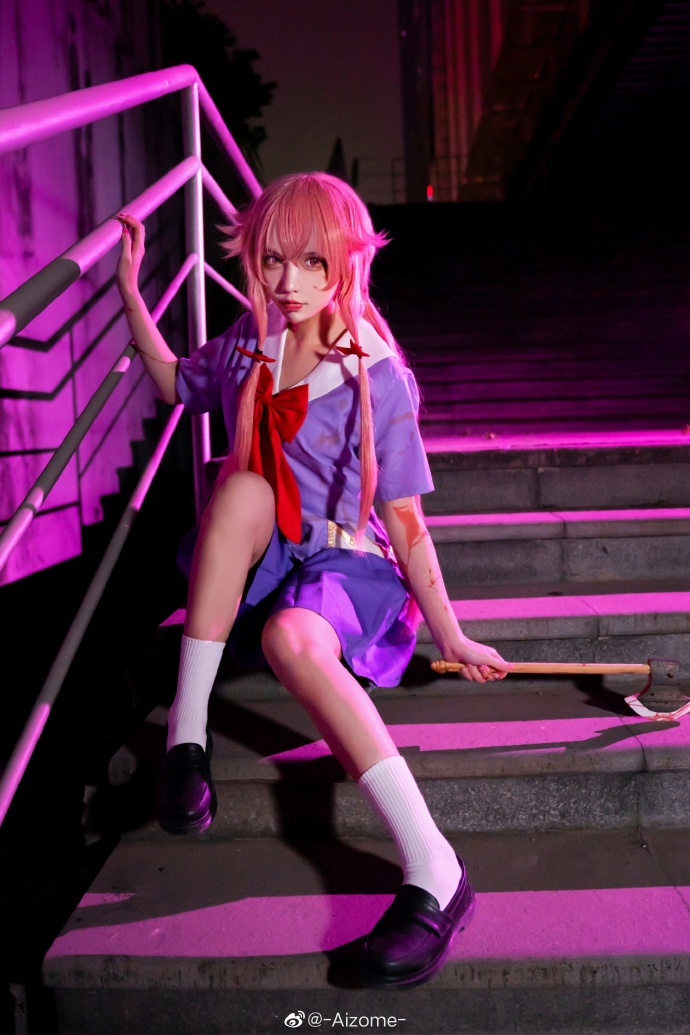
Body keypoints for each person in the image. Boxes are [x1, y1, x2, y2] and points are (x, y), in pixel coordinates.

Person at [115, 172, 512, 989]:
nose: (288, 282)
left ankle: (435, 867)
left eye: (311, 262)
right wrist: (128, 289)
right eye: (272, 260)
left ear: (346, 262)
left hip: (346, 567)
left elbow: (406, 522)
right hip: (266, 555)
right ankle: (186, 737)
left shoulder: (375, 372)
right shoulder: (249, 341)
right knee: (241, 488)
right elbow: (174, 382)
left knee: (291, 637)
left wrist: (450, 632)